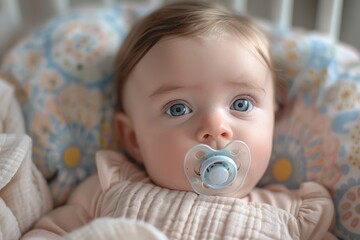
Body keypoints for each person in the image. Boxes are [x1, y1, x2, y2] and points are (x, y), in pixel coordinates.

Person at [23, 1, 337, 239]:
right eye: (178, 109)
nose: (215, 128)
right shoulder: (110, 192)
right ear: (133, 139)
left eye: (241, 103)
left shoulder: (294, 217)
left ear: (273, 119)